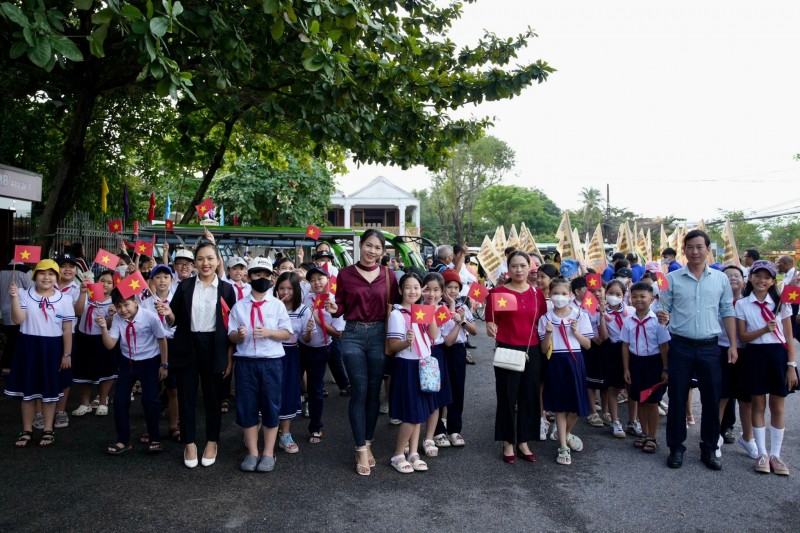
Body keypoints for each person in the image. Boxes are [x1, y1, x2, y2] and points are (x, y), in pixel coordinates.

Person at [657, 229, 736, 470]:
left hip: (710, 348)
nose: (695, 251)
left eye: (699, 247)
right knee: (678, 397)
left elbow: (727, 312)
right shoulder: (672, 279)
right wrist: (663, 316)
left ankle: (710, 448)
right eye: (690, 247)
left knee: (712, 399)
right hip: (680, 346)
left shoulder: (720, 279)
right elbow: (664, 309)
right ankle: (676, 448)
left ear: (708, 250)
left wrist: (733, 344)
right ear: (684, 250)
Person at [157, 242, 237, 469]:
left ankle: (212, 442)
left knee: (213, 398)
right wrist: (168, 313)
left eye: (210, 258)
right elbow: (174, 321)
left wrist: (229, 358)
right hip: (186, 345)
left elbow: (231, 326)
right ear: (195, 262)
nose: (205, 263)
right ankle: (189, 443)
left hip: (215, 346)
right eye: (200, 259)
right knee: (186, 397)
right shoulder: (184, 287)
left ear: (218, 261)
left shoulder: (227, 290)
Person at [331, 228, 399, 476]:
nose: (372, 251)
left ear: (383, 251)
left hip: (380, 335)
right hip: (353, 335)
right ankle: (360, 448)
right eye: (369, 245)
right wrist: (332, 307)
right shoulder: (345, 274)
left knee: (374, 393)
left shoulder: (389, 275)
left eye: (378, 248)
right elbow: (339, 307)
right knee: (359, 391)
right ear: (361, 246)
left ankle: (368, 441)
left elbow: (400, 306)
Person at [227, 259, 292, 472]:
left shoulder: (277, 305)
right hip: (246, 363)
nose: (261, 279)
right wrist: (239, 334)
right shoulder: (238, 307)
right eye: (256, 274)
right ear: (249, 276)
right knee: (247, 407)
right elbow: (231, 336)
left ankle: (268, 452)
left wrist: (269, 332)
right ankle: (253, 452)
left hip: (271, 362)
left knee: (271, 406)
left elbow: (287, 333)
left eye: (265, 275)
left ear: (271, 278)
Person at [735, 260, 797, 475]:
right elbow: (742, 336)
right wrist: (763, 329)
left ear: (773, 281)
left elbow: (789, 337)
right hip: (755, 356)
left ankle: (776, 455)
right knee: (758, 404)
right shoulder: (742, 304)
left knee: (778, 406)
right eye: (758, 275)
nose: (762, 280)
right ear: (750, 277)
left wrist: (791, 365)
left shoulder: (782, 303)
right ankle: (761, 453)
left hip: (778, 357)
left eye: (767, 277)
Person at [4, 260, 75, 447]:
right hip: (28, 346)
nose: (46, 277)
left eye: (51, 274)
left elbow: (67, 329)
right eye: (42, 273)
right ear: (35, 276)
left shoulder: (65, 299)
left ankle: (48, 429)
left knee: (50, 391)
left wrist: (66, 354)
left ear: (56, 278)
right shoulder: (23, 294)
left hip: (52, 348)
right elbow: (18, 318)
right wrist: (14, 299)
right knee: (28, 392)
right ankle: (27, 430)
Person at [486, 251, 547, 464]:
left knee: (530, 398)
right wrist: (491, 326)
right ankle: (507, 442)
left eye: (523, 266)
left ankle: (523, 441)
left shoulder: (537, 294)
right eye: (514, 266)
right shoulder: (499, 292)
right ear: (508, 268)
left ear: (530, 267)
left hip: (532, 351)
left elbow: (542, 320)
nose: (518, 270)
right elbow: (491, 321)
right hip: (507, 349)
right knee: (507, 397)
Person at [96, 288, 168, 455]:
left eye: (126, 305)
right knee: (120, 400)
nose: (123, 310)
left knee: (150, 400)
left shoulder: (150, 316)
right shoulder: (118, 319)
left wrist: (164, 364)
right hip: (127, 361)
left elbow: (161, 339)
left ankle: (154, 438)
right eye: (119, 306)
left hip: (149, 361)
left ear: (135, 302)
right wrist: (103, 329)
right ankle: (122, 440)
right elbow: (110, 345)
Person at [384, 273, 439, 473]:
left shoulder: (422, 311)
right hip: (407, 366)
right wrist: (406, 342)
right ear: (400, 290)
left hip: (424, 365)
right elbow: (392, 346)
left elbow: (434, 335)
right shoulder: (397, 314)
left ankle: (413, 452)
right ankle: (398, 454)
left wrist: (429, 311)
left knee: (421, 413)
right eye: (408, 287)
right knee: (412, 414)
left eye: (417, 287)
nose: (413, 291)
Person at [539, 277, 593, 465]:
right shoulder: (545, 318)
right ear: (549, 295)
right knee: (560, 407)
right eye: (555, 293)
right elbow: (544, 349)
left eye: (563, 294)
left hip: (575, 361)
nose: (559, 297)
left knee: (576, 408)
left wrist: (576, 332)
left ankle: (566, 433)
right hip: (556, 362)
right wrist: (547, 333)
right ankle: (563, 446)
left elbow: (587, 345)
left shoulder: (580, 315)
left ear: (571, 295)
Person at [621, 282, 670, 455]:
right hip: (636, 363)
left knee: (652, 402)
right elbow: (625, 346)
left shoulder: (658, 321)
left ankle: (652, 436)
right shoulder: (628, 321)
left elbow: (664, 346)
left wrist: (665, 368)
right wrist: (626, 368)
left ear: (652, 299)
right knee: (639, 399)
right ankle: (643, 432)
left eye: (643, 296)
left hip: (654, 363)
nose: (638, 300)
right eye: (634, 296)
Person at [432, 268, 477, 449]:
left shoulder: (463, 306)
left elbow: (474, 330)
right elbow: (445, 337)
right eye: (448, 287)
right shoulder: (437, 308)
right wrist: (452, 311)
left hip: (458, 351)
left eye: (456, 287)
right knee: (440, 389)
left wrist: (463, 320)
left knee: (458, 389)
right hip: (441, 350)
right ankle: (438, 430)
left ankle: (454, 429)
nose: (452, 291)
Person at [718, 265, 756, 459]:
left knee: (745, 399)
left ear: (744, 280)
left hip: (746, 353)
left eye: (737, 275)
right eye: (728, 276)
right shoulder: (715, 302)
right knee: (722, 396)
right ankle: (715, 436)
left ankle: (748, 438)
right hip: (721, 351)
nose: (732, 278)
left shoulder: (750, 303)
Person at [274, 271, 313, 454]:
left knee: (288, 392)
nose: (285, 292)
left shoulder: (303, 310)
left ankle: (285, 434)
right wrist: (276, 308)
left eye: (289, 288)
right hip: (271, 354)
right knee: (268, 392)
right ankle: (263, 430)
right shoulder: (270, 306)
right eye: (281, 288)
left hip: (291, 354)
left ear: (297, 290)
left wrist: (309, 332)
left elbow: (306, 340)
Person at [140, 265, 180, 442]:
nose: (162, 280)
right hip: (152, 346)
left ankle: (174, 426)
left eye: (166, 277)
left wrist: (169, 314)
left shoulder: (178, 299)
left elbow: (179, 323)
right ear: (152, 281)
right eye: (158, 277)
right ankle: (151, 428)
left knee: (173, 389)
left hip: (173, 345)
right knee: (152, 390)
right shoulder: (146, 303)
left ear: (172, 280)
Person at [301, 265, 341, 444]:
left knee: (315, 389)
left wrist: (318, 319)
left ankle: (316, 427)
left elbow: (338, 333)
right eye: (312, 280)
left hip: (321, 350)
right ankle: (282, 426)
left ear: (328, 280)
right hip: (300, 347)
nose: (316, 283)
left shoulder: (334, 302)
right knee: (292, 385)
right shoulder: (305, 297)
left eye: (320, 278)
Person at [71, 270, 117, 418]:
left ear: (113, 286)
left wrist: (110, 316)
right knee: (84, 371)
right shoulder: (87, 296)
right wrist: (83, 293)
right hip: (84, 338)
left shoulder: (114, 302)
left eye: (109, 283)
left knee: (106, 371)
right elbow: (77, 312)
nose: (105, 284)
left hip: (103, 339)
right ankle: (85, 403)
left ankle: (103, 402)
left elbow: (111, 326)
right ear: (96, 281)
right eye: (102, 280)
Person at [419, 272, 451, 456]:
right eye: (427, 289)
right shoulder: (415, 308)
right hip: (417, 354)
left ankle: (429, 438)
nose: (431, 294)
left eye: (436, 290)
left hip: (436, 355)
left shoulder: (444, 311)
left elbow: (446, 339)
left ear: (442, 292)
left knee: (435, 398)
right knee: (416, 396)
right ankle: (410, 437)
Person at [603, 280, 636, 439]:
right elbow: (603, 335)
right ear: (605, 293)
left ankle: (633, 421)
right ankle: (615, 421)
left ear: (624, 296)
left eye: (618, 294)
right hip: (613, 349)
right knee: (613, 388)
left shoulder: (630, 311)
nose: (613, 297)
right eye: (610, 293)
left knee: (632, 387)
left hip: (631, 349)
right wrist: (601, 315)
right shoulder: (601, 311)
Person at [1, 258, 33, 375]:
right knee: (15, 340)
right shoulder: (25, 270)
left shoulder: (2, 270)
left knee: (11, 338)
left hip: (4, 309)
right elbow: (31, 289)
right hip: (20, 309)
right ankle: (8, 366)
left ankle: (7, 365)